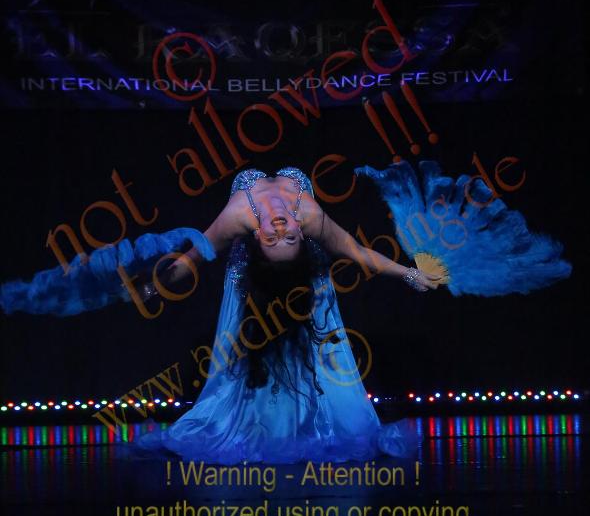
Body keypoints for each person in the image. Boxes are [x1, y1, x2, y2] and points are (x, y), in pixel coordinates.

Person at [128, 166, 440, 464]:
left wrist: (151, 288)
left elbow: (192, 257)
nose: (280, 230)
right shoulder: (306, 217)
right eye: (286, 238)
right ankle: (284, 418)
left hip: (289, 280)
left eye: (276, 238)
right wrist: (409, 273)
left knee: (299, 331)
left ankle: (289, 419)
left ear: (258, 235)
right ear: (300, 233)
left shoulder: (242, 216)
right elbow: (357, 251)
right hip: (268, 278)